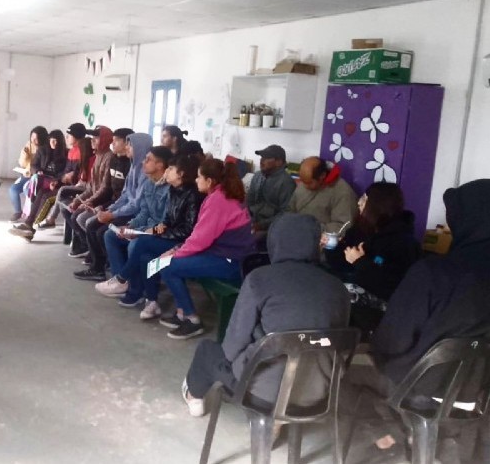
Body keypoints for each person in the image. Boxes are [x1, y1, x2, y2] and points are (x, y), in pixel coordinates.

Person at [350, 179, 490, 462]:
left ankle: (394, 436)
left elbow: (392, 341)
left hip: (427, 388)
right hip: (482, 390)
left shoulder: (433, 273)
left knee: (348, 369)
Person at [181, 213, 350, 417]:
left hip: (261, 396)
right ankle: (276, 422)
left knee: (207, 350)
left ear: (275, 242)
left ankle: (194, 396)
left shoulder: (259, 280)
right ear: (315, 244)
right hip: (319, 396)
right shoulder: (338, 288)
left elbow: (231, 347)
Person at [95, 153, 202, 321]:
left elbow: (187, 231)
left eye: (171, 169)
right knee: (140, 253)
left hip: (181, 242)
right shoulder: (172, 190)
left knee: (140, 244)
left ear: (180, 173)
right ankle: (152, 302)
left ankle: (123, 280)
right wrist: (133, 227)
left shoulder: (192, 195)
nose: (168, 172)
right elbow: (159, 218)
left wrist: (148, 233)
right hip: (165, 234)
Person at [158, 159, 254, 340]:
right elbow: (200, 236)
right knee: (168, 262)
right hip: (222, 254)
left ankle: (192, 320)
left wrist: (175, 253)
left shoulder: (219, 201)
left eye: (199, 177)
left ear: (209, 181)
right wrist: (178, 249)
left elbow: (200, 240)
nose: (195, 180)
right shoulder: (223, 195)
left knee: (166, 265)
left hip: (231, 262)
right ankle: (181, 314)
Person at [325, 182, 421, 337]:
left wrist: (360, 262)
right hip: (355, 290)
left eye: (364, 199)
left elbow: (391, 281)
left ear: (377, 205)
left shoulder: (403, 242)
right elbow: (341, 264)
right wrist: (332, 247)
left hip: (383, 304)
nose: (359, 203)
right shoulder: (361, 229)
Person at [73, 132, 151, 281]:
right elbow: (125, 196)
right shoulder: (134, 167)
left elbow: (136, 204)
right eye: (127, 143)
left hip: (136, 215)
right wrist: (110, 210)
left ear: (140, 147)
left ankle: (120, 276)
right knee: (93, 225)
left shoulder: (145, 173)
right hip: (126, 210)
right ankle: (98, 268)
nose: (127, 148)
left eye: (130, 144)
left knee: (104, 231)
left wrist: (113, 215)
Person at [93, 146, 172, 287]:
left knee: (134, 245)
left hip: (160, 232)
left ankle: (132, 287)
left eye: (148, 160)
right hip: (145, 228)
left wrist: (137, 231)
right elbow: (144, 212)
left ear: (160, 165)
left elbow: (164, 222)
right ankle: (121, 281)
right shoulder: (149, 183)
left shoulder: (170, 189)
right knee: (110, 235)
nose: (143, 162)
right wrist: (131, 226)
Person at [9, 130, 68, 239]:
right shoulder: (43, 150)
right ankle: (28, 227)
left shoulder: (65, 154)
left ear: (60, 142)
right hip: (43, 180)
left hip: (56, 183)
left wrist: (57, 181)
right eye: (51, 140)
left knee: (43, 195)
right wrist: (38, 171)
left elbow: (64, 173)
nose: (53, 143)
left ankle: (29, 225)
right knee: (37, 189)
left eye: (56, 141)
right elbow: (33, 165)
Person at [66, 126, 113, 258]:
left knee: (80, 218)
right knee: (74, 213)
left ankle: (96, 253)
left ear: (104, 140)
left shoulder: (109, 158)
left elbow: (104, 188)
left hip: (103, 200)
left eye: (96, 138)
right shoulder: (98, 157)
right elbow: (91, 187)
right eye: (92, 137)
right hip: (95, 198)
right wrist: (78, 199)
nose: (92, 140)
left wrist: (90, 201)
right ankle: (89, 247)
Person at [287, 156, 358, 234]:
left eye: (309, 183)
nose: (304, 186)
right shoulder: (304, 183)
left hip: (319, 238)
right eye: (302, 181)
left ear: (322, 176)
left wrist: (313, 228)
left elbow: (343, 225)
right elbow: (290, 208)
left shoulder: (343, 191)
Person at [38, 123, 88, 229]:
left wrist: (68, 178)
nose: (66, 138)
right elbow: (66, 172)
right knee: (42, 191)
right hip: (68, 184)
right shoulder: (71, 151)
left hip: (79, 187)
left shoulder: (84, 152)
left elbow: (78, 174)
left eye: (69, 135)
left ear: (77, 137)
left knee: (51, 197)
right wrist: (58, 180)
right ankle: (33, 220)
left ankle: (39, 222)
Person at [246, 144, 296, 238]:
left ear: (279, 162)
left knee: (249, 240)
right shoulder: (257, 176)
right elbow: (249, 201)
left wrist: (261, 225)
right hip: (252, 222)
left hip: (272, 228)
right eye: (261, 157)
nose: (261, 160)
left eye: (266, 158)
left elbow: (285, 214)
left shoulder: (286, 183)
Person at [8, 126, 48, 222]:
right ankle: (18, 212)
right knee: (13, 189)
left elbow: (40, 165)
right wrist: (24, 155)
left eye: (36, 138)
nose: (33, 140)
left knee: (28, 190)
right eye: (32, 137)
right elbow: (23, 163)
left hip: (37, 176)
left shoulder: (46, 149)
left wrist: (32, 170)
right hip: (27, 174)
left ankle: (31, 215)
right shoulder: (29, 145)